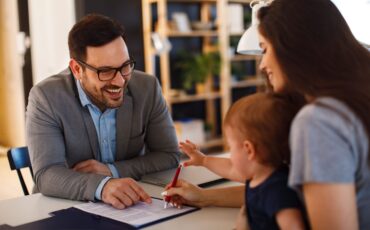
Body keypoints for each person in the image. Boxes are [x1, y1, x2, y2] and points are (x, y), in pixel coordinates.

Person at [26, 14, 180, 209]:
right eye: (105, 71)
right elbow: (46, 174)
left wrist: (112, 171)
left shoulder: (147, 88)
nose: (120, 81)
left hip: (131, 206)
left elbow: (169, 155)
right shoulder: (46, 97)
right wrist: (103, 187)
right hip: (62, 205)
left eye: (125, 66)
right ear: (76, 69)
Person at [257, 0, 370, 229]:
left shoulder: (319, 121)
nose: (262, 64)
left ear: (293, 45)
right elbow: (279, 194)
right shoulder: (355, 101)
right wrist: (206, 197)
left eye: (265, 49)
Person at [164, 93, 307, 230]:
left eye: (231, 147)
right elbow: (231, 168)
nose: (230, 155)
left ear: (249, 150)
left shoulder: (278, 192)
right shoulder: (258, 175)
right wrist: (203, 160)